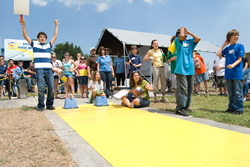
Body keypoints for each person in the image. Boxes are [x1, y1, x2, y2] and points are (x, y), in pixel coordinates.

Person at [20, 18, 58, 111]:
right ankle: (40, 105)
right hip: (40, 70)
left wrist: (56, 25)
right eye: (40, 37)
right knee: (41, 88)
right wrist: (24, 24)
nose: (42, 38)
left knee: (52, 88)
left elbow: (55, 36)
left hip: (49, 70)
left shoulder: (48, 45)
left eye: (44, 37)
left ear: (46, 39)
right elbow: (25, 35)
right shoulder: (34, 45)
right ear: (38, 38)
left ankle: (49, 104)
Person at [168, 27, 200, 116]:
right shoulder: (177, 41)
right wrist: (182, 29)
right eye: (183, 31)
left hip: (190, 69)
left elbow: (198, 38)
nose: (185, 32)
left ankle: (186, 107)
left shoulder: (190, 42)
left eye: (186, 31)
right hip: (181, 69)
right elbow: (181, 36)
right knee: (183, 89)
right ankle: (179, 109)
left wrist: (189, 32)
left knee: (190, 90)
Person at [217, 29, 244, 115]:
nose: (237, 37)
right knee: (231, 92)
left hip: (237, 73)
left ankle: (239, 108)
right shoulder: (228, 48)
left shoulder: (240, 46)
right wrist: (224, 44)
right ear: (229, 37)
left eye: (237, 35)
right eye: (234, 35)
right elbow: (218, 54)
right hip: (228, 74)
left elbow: (240, 59)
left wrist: (232, 65)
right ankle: (231, 107)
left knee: (237, 92)